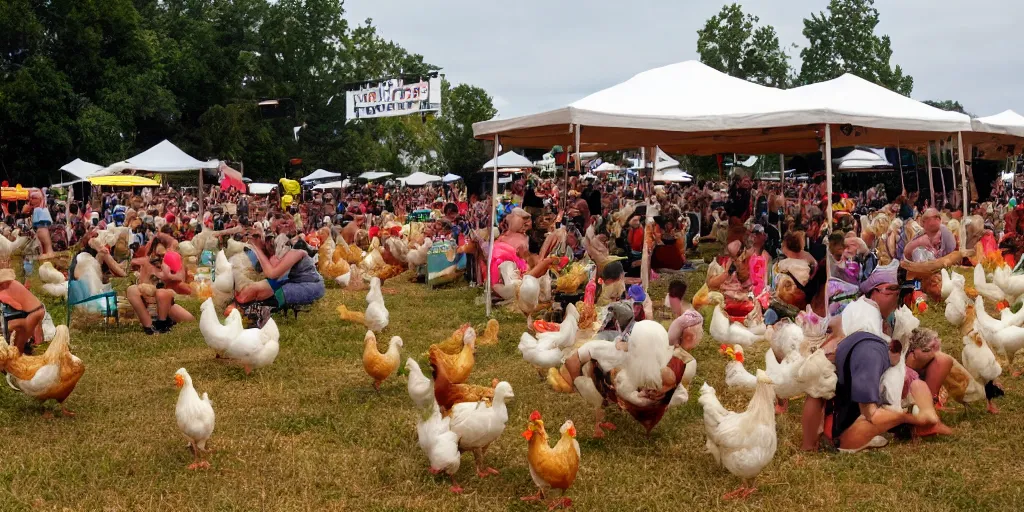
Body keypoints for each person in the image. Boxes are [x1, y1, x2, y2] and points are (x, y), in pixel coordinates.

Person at [0, 268, 45, 352]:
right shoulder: (15, 283)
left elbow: (18, 306)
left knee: (17, 347)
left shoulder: (4, 292)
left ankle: (24, 356)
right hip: (39, 309)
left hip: (33, 313)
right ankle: (33, 348)